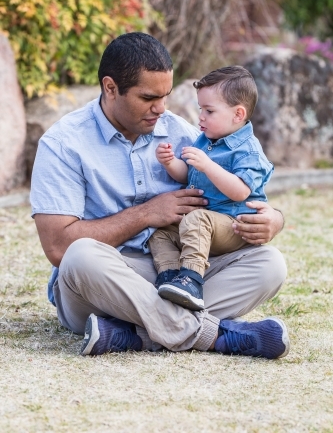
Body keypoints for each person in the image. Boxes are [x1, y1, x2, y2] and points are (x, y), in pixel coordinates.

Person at [30, 32, 289, 359]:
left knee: (270, 264)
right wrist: (147, 214)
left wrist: (274, 220)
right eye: (149, 97)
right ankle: (214, 335)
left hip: (179, 278)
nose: (161, 109)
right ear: (111, 88)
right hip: (107, 278)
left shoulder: (184, 133)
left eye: (165, 96)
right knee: (80, 256)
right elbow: (58, 248)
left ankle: (132, 334)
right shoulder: (63, 144)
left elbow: (234, 189)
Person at [149, 66, 273, 311]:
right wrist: (170, 162)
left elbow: (240, 191)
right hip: (205, 223)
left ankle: (192, 281)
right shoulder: (207, 140)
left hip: (234, 225)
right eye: (200, 109)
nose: (201, 117)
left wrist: (207, 165)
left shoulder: (247, 150)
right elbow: (188, 174)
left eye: (209, 110)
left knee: (196, 220)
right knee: (160, 232)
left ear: (238, 114)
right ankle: (171, 275)